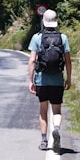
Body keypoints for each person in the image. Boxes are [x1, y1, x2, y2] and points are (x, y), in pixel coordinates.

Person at [28, 9, 72, 151]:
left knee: (43, 110)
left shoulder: (37, 37)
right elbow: (68, 61)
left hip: (42, 79)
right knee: (57, 110)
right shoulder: (63, 38)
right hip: (57, 79)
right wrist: (69, 79)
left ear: (44, 21)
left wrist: (31, 80)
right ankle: (57, 129)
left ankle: (43, 141)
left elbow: (32, 61)